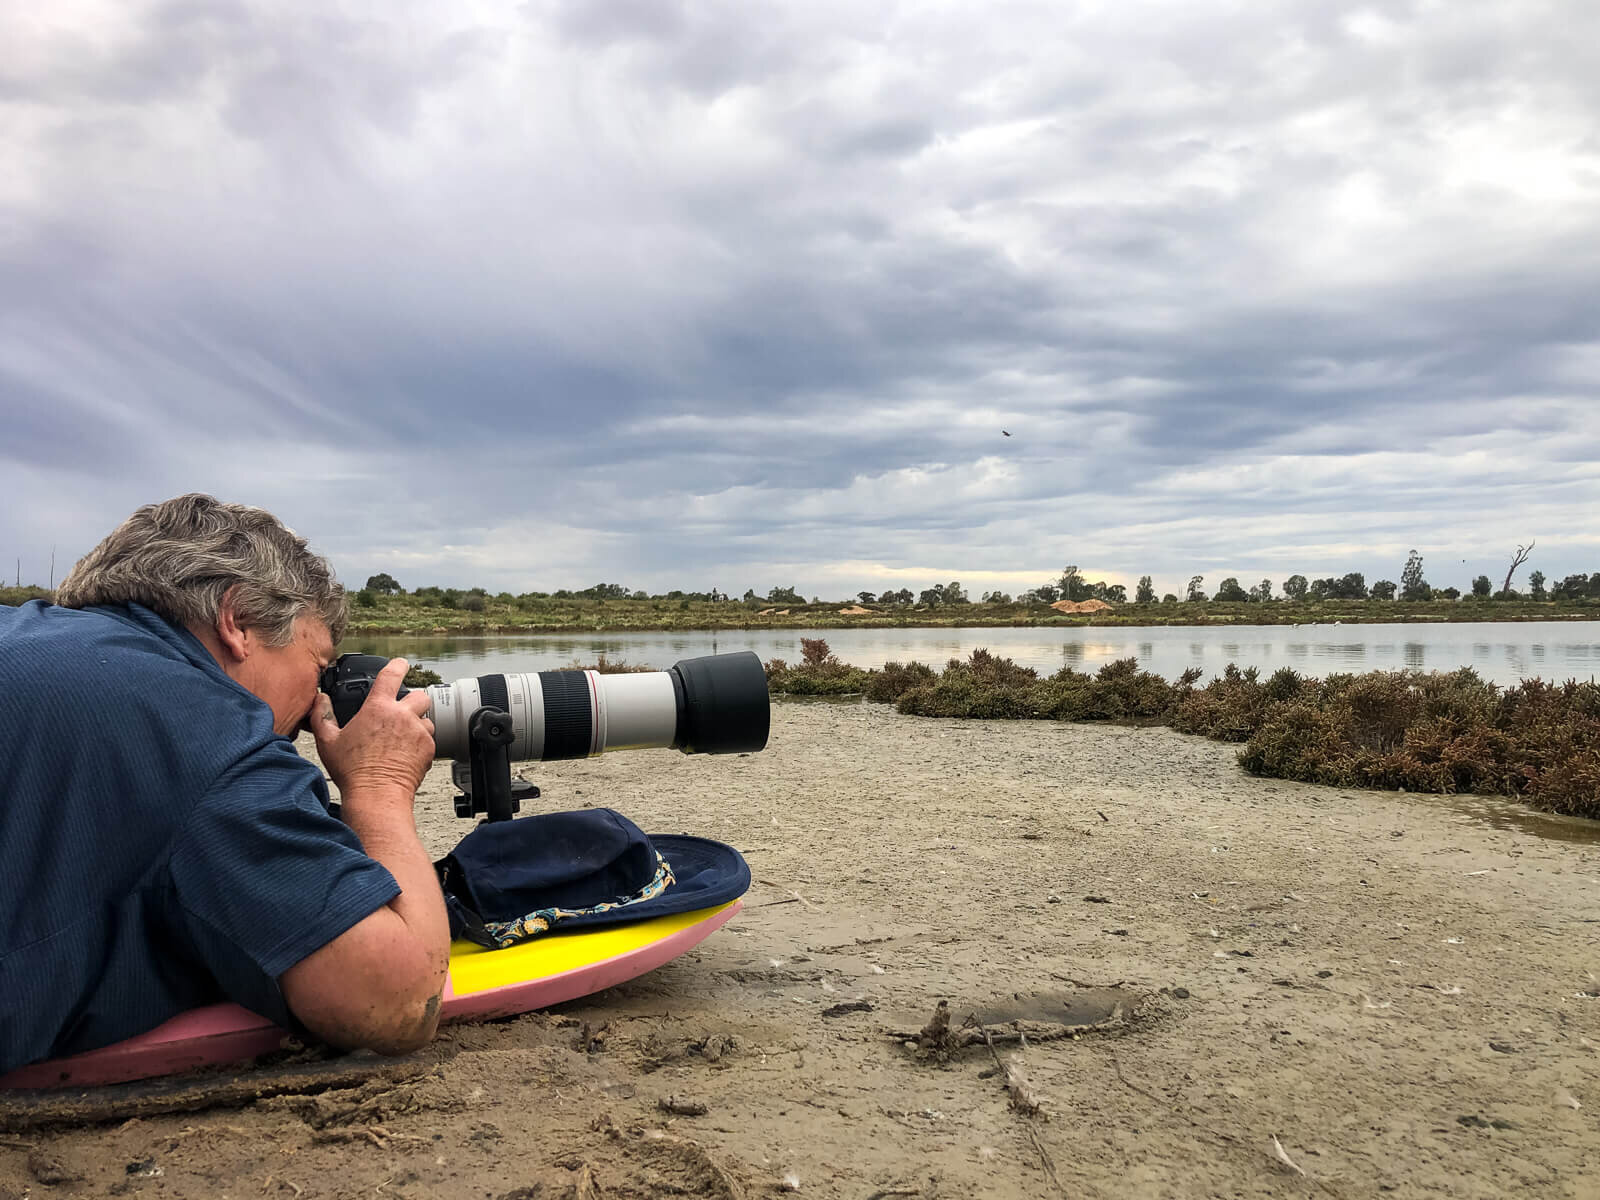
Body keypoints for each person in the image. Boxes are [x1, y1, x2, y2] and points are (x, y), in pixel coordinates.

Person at [0, 495, 448, 1074]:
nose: (317, 704)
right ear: (236, 623)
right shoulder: (200, 724)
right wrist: (379, 786)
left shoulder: (23, 633)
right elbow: (399, 1000)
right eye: (318, 668)